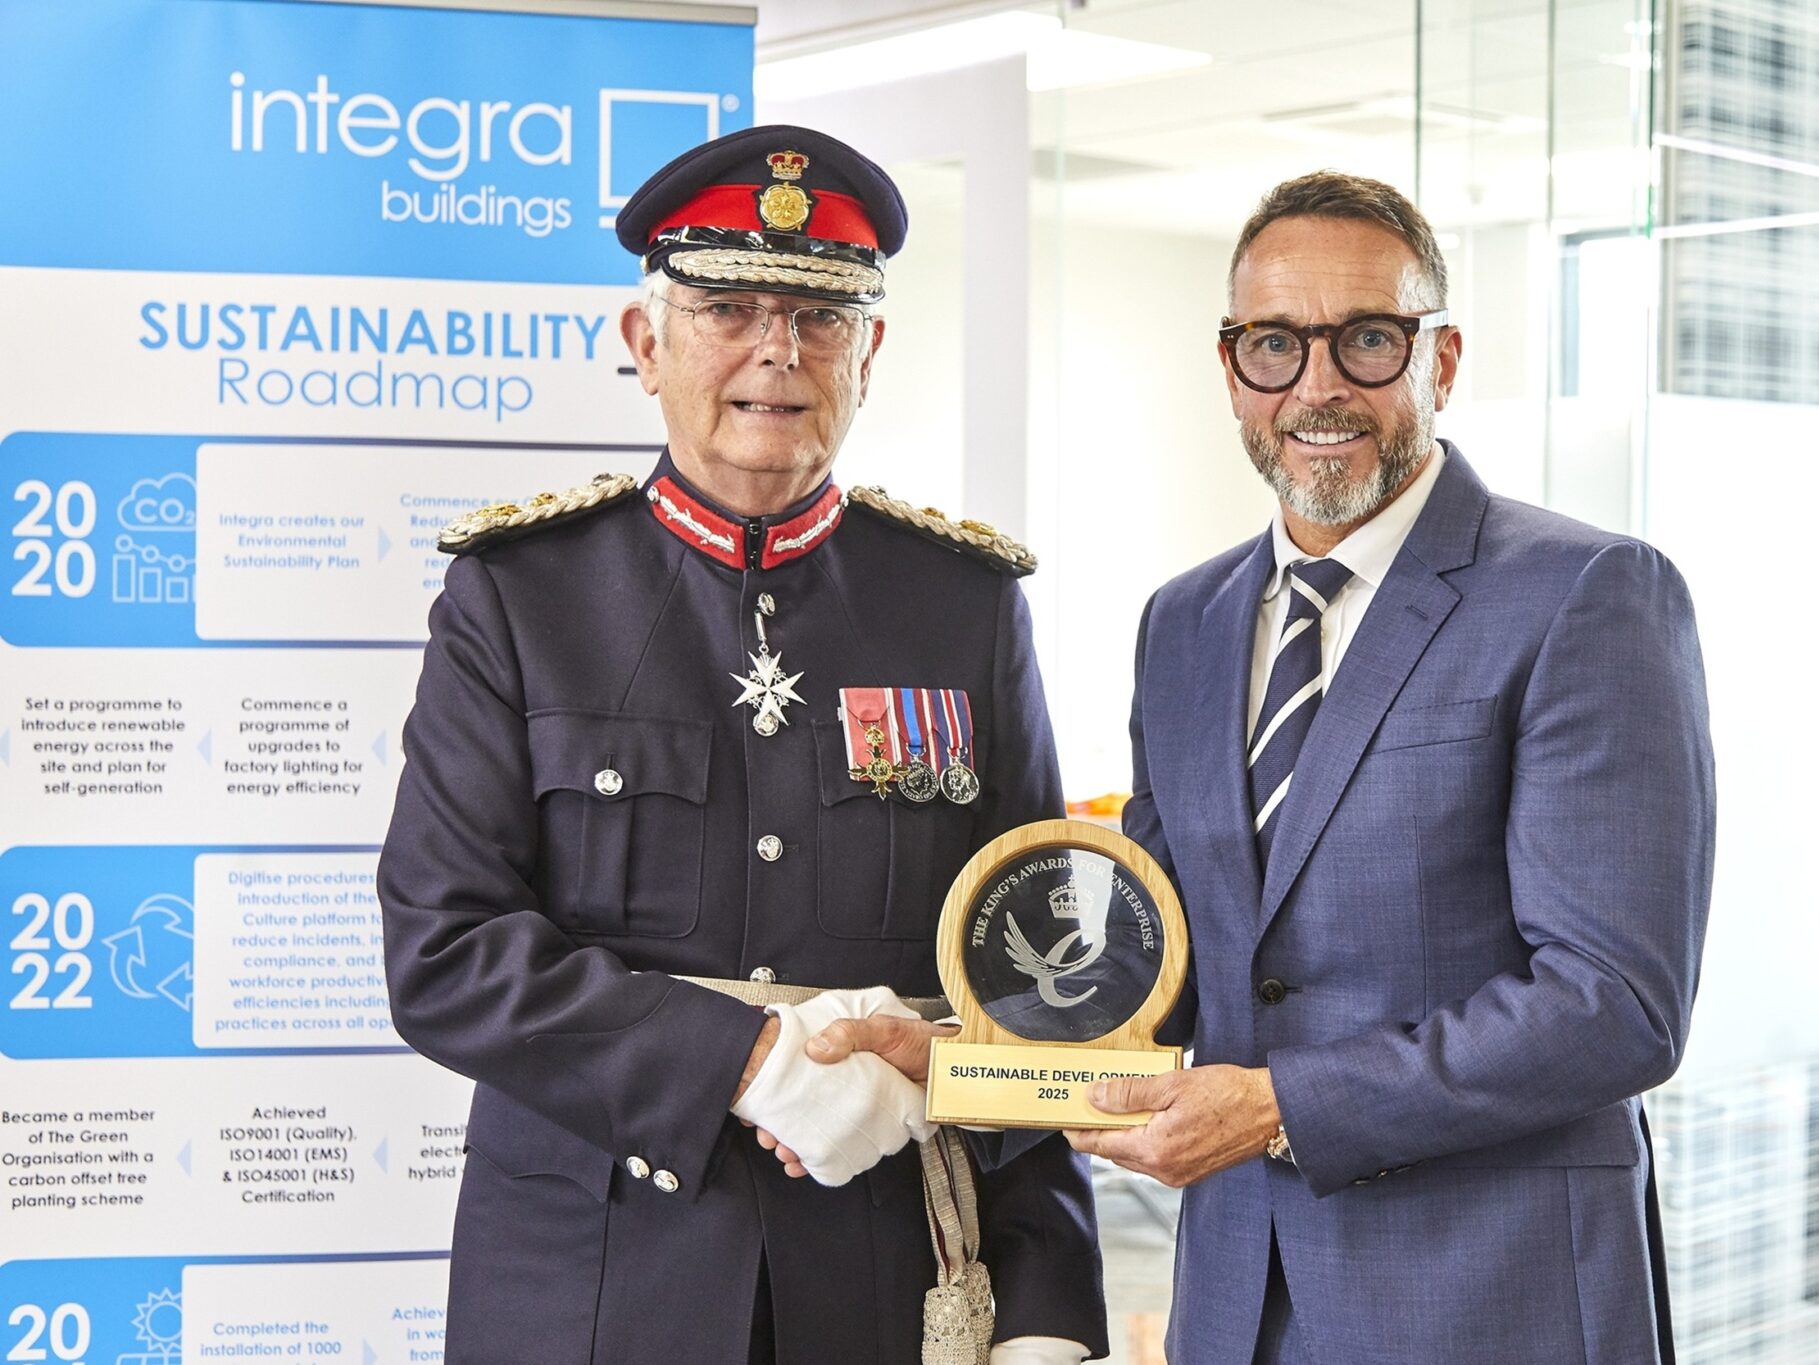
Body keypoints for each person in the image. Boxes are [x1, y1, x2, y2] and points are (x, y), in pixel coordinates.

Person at [377, 124, 1106, 1365]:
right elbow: (445, 950)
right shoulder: (521, 597)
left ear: (870, 352)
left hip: (880, 1280)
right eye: (728, 309)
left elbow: (1037, 978)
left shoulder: (963, 608)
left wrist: (1046, 1309)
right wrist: (747, 1061)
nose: (779, 351)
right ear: (643, 341)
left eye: (821, 317)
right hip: (589, 1287)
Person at [1063, 172, 1716, 1362]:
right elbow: (1167, 954)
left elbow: (1614, 1005)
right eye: (1274, 344)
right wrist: (959, 1046)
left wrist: (1280, 1107)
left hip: (1488, 1298)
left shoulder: (1585, 594)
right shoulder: (1181, 622)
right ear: (1231, 371)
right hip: (1234, 1299)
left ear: (1440, 360)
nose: (1315, 386)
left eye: (1365, 339)